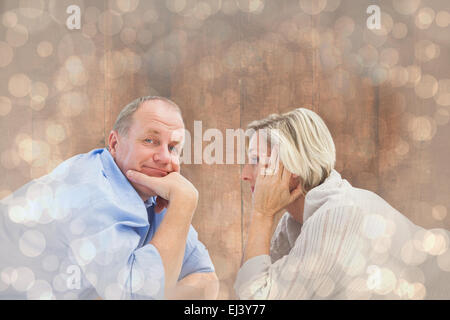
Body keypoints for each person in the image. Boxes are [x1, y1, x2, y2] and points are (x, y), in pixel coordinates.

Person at [0, 96, 219, 300]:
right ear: (114, 144)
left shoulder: (155, 193)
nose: (164, 157)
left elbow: (206, 281)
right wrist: (184, 203)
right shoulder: (88, 191)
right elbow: (143, 296)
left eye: (173, 147)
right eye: (150, 140)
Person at [234, 108, 450, 300]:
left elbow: (256, 299)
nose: (244, 175)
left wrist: (261, 214)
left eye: (255, 160)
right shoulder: (295, 222)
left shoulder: (339, 215)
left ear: (292, 165)